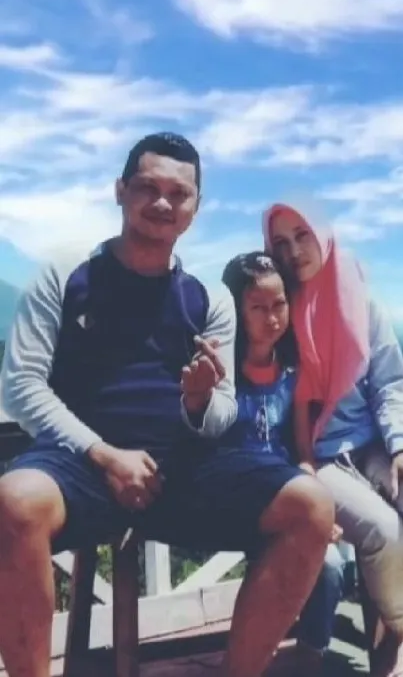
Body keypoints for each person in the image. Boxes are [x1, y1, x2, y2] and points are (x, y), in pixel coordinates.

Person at [0, 133, 334, 677]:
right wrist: (105, 455)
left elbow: (223, 411)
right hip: (81, 465)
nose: (161, 202)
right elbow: (22, 387)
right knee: (14, 499)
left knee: (312, 507)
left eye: (178, 194)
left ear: (195, 208)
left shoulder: (209, 296)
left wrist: (199, 401)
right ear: (119, 191)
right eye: (146, 187)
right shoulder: (65, 275)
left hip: (186, 466)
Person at [263, 200, 403, 677]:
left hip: (370, 446)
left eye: (302, 235)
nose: (294, 251)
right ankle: (398, 624)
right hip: (314, 456)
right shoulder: (277, 310)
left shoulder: (360, 300)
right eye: (280, 243)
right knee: (383, 530)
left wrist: (399, 446)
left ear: (322, 234)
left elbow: (388, 384)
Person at [222, 251, 347, 674]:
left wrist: (316, 500)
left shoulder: (291, 373)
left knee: (332, 568)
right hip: (237, 496)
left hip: (289, 492)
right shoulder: (222, 373)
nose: (271, 318)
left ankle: (309, 657)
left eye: (278, 306)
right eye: (258, 307)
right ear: (237, 309)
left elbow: (301, 451)